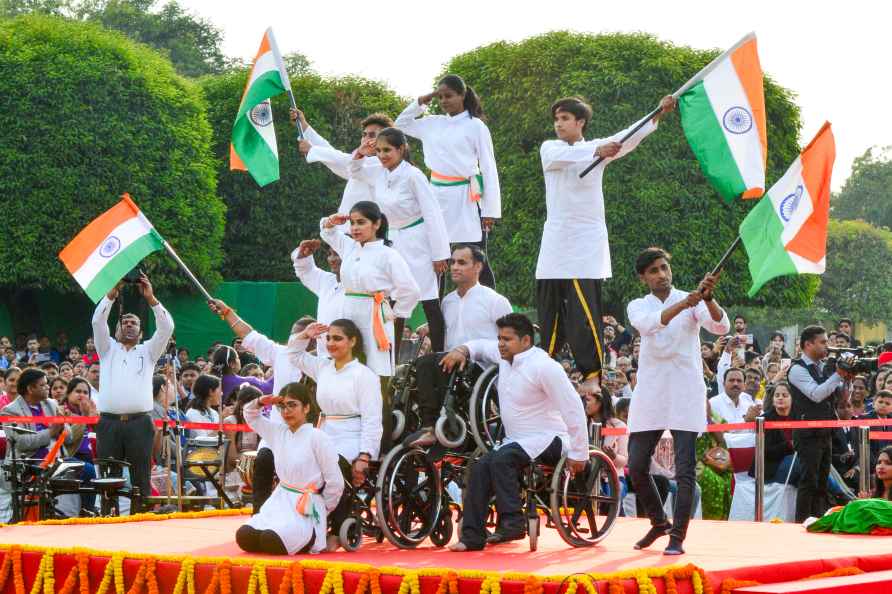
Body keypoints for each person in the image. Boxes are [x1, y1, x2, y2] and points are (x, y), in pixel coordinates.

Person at [536, 96, 676, 389]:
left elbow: (626, 136)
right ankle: (542, 371)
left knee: (583, 314)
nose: (558, 124)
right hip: (554, 246)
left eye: (564, 119)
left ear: (580, 122)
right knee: (550, 313)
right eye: (556, 119)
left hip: (584, 247)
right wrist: (597, 150)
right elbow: (559, 158)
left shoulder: (598, 148)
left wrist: (657, 114)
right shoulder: (551, 148)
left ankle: (590, 376)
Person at [442, 313, 588, 551]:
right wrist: (462, 350)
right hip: (515, 443)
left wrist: (580, 453)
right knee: (480, 466)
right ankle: (471, 537)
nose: (500, 343)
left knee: (501, 459)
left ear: (526, 341)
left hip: (550, 439)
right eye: (499, 338)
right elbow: (479, 346)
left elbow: (573, 409)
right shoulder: (504, 358)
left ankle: (512, 522)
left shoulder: (545, 367)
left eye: (507, 339)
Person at [626, 247, 729, 555]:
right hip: (651, 392)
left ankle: (677, 537)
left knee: (685, 470)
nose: (662, 275)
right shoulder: (637, 305)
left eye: (665, 268)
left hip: (685, 391)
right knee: (636, 466)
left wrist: (708, 298)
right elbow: (649, 325)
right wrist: (687, 302)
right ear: (644, 277)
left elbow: (720, 327)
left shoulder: (694, 300)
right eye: (655, 270)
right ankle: (659, 523)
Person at [348, 127, 451, 352]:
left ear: (402, 149)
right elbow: (355, 171)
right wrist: (361, 153)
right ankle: (390, 357)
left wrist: (440, 254)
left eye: (388, 150)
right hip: (392, 241)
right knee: (393, 299)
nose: (383, 155)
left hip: (418, 242)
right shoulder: (378, 170)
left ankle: (440, 353)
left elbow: (433, 213)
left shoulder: (414, 175)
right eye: (380, 150)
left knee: (429, 300)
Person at [395, 74, 501, 287]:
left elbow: (489, 167)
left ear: (462, 95)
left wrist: (490, 210)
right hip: (434, 195)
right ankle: (439, 314)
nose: (444, 101)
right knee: (438, 257)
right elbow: (400, 124)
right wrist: (422, 101)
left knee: (475, 255)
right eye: (440, 96)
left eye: (449, 96)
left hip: (465, 197)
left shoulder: (476, 126)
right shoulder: (432, 123)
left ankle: (490, 308)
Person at [406, 244, 512, 447]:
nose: (454, 267)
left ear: (478, 266)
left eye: (462, 263)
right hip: (449, 366)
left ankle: (431, 426)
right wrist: (430, 326)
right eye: (452, 262)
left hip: (482, 369)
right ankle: (423, 426)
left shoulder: (495, 301)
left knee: (428, 363)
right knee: (417, 367)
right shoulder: (447, 302)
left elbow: (509, 342)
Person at [288, 319, 382, 543]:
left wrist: (365, 454)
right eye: (328, 338)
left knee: (334, 467)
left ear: (352, 342)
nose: (331, 343)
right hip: (325, 432)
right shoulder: (323, 367)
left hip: (353, 436)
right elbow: (293, 355)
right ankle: (302, 523)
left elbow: (373, 419)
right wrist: (305, 336)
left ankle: (337, 530)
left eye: (337, 338)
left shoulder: (364, 375)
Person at [92, 273, 174, 508]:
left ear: (140, 332)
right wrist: (111, 294)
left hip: (140, 423)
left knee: (141, 478)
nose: (129, 325)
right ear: (116, 330)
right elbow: (98, 322)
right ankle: (109, 519)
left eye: (134, 323)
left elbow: (167, 327)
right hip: (109, 423)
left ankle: (141, 522)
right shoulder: (107, 349)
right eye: (124, 322)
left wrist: (151, 298)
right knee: (108, 479)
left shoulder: (148, 351)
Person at [235, 383, 344, 555]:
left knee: (270, 540)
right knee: (244, 536)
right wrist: (261, 401)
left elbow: (336, 482)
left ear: (306, 408)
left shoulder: (318, 438)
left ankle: (311, 536)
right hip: (279, 501)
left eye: (292, 405)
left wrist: (322, 508)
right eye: (282, 406)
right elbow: (250, 415)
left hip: (305, 507)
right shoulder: (278, 432)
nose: (287, 411)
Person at [320, 201, 421, 377]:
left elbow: (411, 290)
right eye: (352, 222)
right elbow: (328, 232)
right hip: (346, 313)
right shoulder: (349, 247)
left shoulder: (388, 255)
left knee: (373, 369)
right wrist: (332, 220)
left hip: (374, 316)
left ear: (376, 224)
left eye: (361, 222)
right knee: (345, 366)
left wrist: (395, 313)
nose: (355, 228)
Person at [0, 369, 89, 521]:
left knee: (87, 471)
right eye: (43, 385)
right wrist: (50, 432)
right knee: (88, 471)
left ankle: (86, 511)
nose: (48, 388)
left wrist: (63, 424)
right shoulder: (10, 411)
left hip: (57, 459)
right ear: (30, 389)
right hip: (30, 463)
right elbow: (22, 443)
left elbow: (69, 438)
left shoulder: (51, 404)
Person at [787, 325, 852, 523]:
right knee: (809, 481)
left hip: (825, 431)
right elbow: (816, 394)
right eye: (823, 342)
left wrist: (848, 378)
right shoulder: (797, 368)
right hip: (807, 433)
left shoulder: (824, 366)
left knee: (822, 483)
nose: (828, 346)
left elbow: (841, 399)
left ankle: (817, 522)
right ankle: (801, 523)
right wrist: (838, 375)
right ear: (808, 344)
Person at [292, 108, 393, 233]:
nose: (366, 139)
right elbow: (335, 156)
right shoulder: (357, 164)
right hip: (347, 235)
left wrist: (313, 150)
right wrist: (304, 125)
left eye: (372, 135)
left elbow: (341, 160)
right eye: (364, 134)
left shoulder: (382, 165)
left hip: (370, 237)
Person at [291, 239, 345, 355]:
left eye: (338, 254)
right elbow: (305, 271)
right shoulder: (327, 281)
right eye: (330, 254)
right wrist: (304, 254)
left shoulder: (364, 286)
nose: (332, 259)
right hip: (325, 360)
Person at [709, 368, 760, 449]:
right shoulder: (713, 403)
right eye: (731, 380)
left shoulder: (747, 400)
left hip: (749, 450)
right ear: (723, 383)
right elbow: (720, 434)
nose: (735, 384)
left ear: (744, 385)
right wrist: (745, 420)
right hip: (725, 453)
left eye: (739, 381)